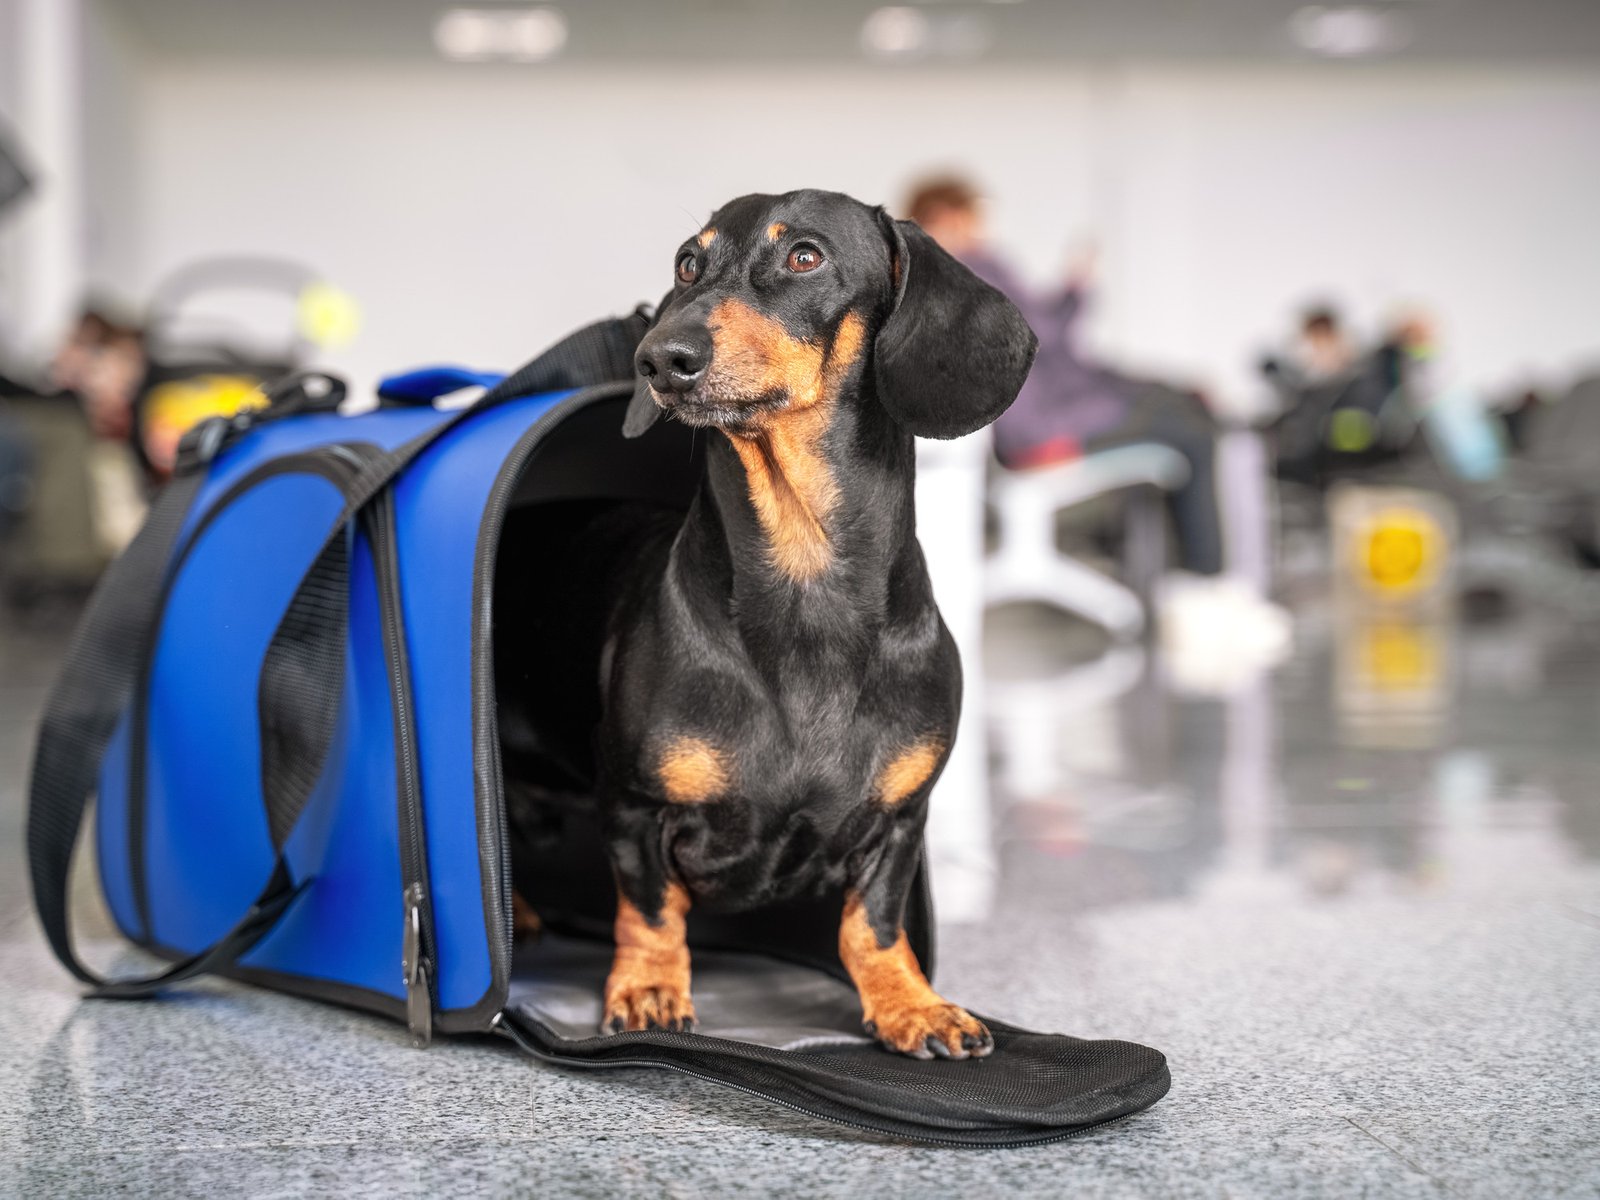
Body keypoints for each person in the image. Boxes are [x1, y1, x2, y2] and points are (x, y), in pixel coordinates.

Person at [905, 176, 1224, 577]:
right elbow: (1043, 334)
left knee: (1181, 411)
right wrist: (1076, 286)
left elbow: (1041, 337)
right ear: (948, 215)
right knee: (1194, 431)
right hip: (1040, 430)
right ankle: (1206, 581)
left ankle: (1190, 577)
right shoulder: (974, 266)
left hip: (1029, 423)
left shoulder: (927, 277)